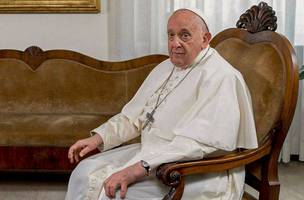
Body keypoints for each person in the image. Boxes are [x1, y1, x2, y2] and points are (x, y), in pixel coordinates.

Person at [65, 7, 258, 200]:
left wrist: (138, 169)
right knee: (83, 173)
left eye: (185, 35)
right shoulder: (165, 68)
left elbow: (197, 145)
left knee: (112, 193)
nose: (175, 44)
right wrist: (98, 138)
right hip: (154, 154)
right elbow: (135, 117)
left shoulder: (222, 77)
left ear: (205, 39)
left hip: (197, 170)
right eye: (171, 35)